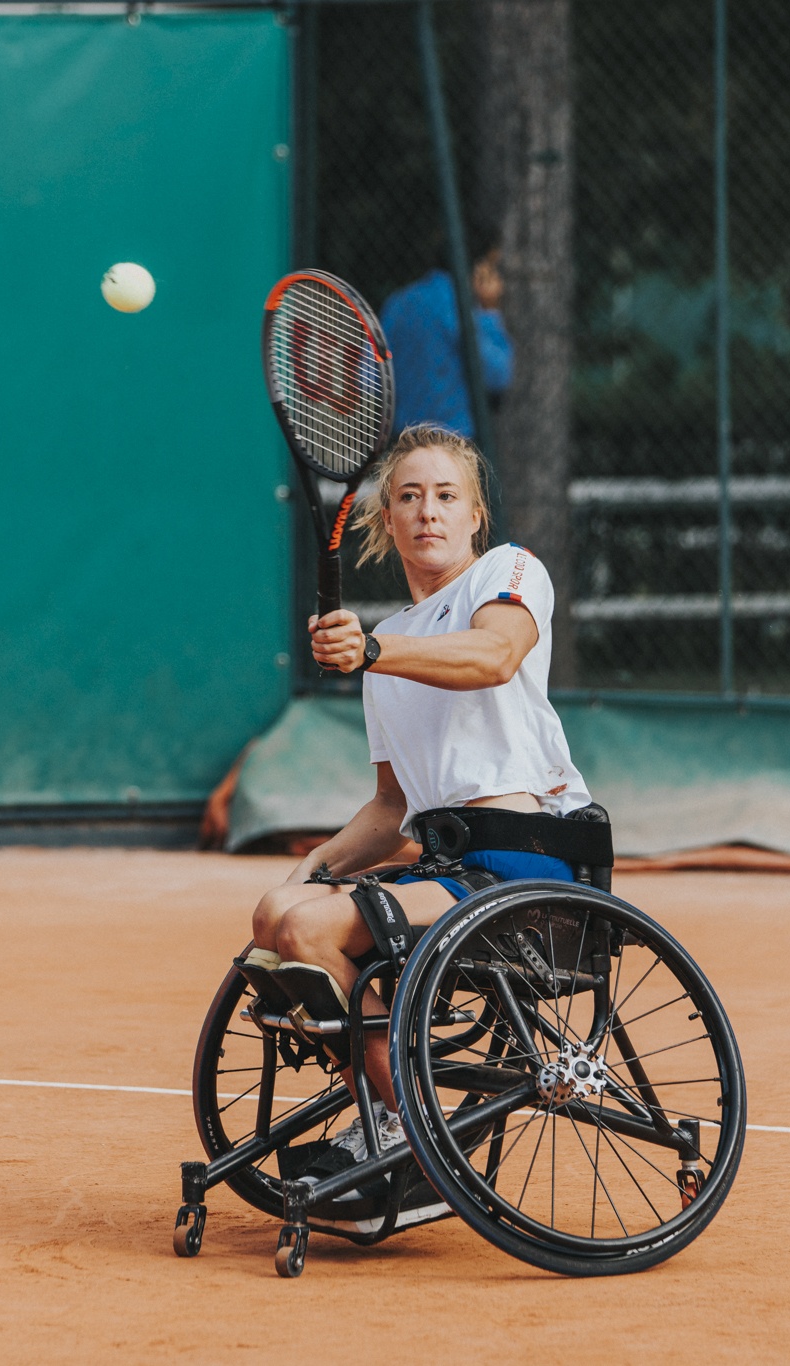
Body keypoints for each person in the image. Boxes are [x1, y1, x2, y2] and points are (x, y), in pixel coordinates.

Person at [245, 422, 592, 1177]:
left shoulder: (509, 571)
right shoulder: (394, 642)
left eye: (446, 496)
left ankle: (414, 1129)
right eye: (409, 496)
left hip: (525, 865)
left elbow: (495, 656)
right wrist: (316, 863)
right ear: (387, 520)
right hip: (448, 870)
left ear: (475, 516)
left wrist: (372, 648)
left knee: (309, 934)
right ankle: (387, 1110)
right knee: (277, 914)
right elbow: (389, 807)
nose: (428, 511)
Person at [379, 250, 512, 438]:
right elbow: (498, 374)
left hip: (403, 442)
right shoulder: (460, 309)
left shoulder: (398, 303)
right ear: (479, 270)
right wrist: (489, 311)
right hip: (453, 443)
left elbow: (370, 378)